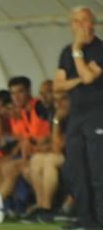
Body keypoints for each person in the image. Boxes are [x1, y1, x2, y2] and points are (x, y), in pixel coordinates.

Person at [53, 6, 103, 230]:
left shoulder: (99, 49)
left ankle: (100, 218)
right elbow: (57, 85)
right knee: (77, 167)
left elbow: (89, 77)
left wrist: (77, 51)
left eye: (85, 20)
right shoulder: (65, 52)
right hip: (77, 115)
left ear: (93, 23)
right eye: (76, 21)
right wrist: (78, 78)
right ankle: (84, 217)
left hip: (98, 114)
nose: (81, 25)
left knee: (97, 167)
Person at [0, 76, 50, 204]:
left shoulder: (39, 107)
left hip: (45, 152)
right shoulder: (23, 111)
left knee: (12, 167)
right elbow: (25, 138)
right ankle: (6, 203)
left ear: (29, 91)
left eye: (20, 92)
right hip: (33, 153)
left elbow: (51, 133)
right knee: (0, 165)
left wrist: (32, 142)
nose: (16, 97)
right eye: (13, 93)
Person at [25, 90, 69, 223]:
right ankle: (41, 206)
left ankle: (47, 207)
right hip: (63, 156)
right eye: (56, 101)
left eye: (62, 100)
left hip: (76, 157)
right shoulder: (57, 116)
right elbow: (53, 141)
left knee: (49, 161)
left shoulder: (72, 116)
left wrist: (56, 121)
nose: (58, 104)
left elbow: (57, 147)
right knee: (36, 159)